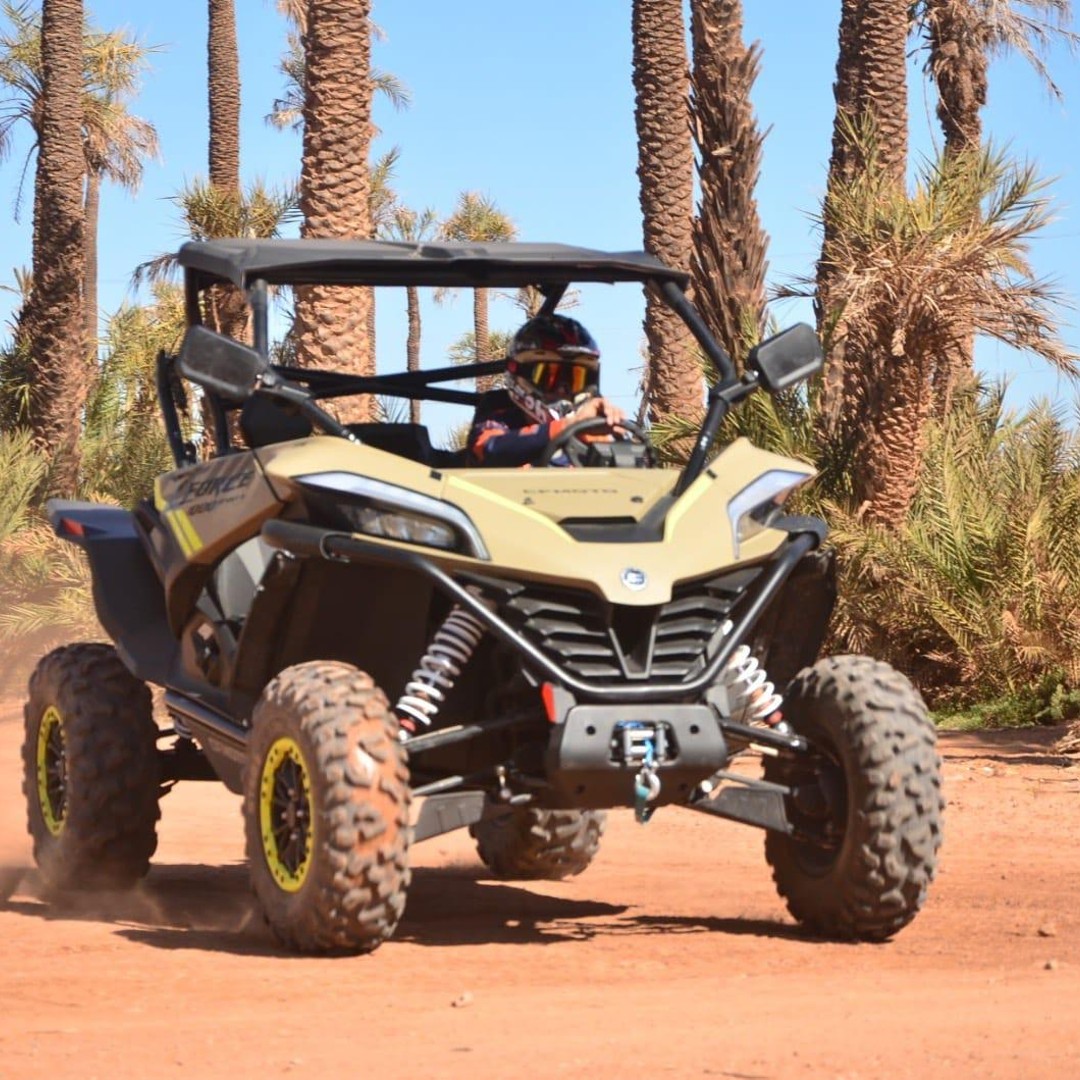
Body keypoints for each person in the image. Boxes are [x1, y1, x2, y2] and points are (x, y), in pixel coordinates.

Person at [467, 313, 626, 467]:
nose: (563, 390)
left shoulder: (593, 431)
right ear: (520, 374)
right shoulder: (499, 413)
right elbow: (488, 450)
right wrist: (569, 427)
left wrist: (614, 439)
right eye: (550, 377)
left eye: (575, 379)